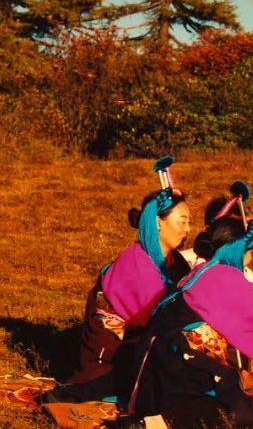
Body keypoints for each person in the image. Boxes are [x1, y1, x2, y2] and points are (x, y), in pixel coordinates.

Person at [112, 209, 253, 428]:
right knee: (237, 409)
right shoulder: (226, 278)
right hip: (180, 368)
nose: (251, 257)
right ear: (237, 249)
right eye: (249, 251)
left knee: (251, 388)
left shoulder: (202, 271)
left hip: (154, 366)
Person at [43, 159, 192, 403]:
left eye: (189, 222)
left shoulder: (175, 261)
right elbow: (160, 318)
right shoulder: (135, 264)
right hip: (110, 358)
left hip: (143, 343)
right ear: (158, 222)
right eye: (182, 221)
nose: (188, 229)